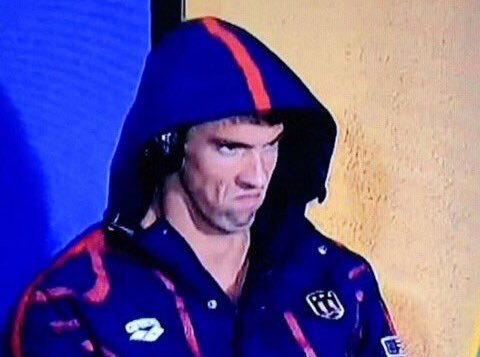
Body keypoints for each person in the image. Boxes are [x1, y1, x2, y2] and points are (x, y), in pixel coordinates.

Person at [10, 17, 406, 357]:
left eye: (271, 147)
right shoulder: (74, 303)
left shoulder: (338, 278)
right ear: (169, 147)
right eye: (231, 148)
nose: (257, 176)